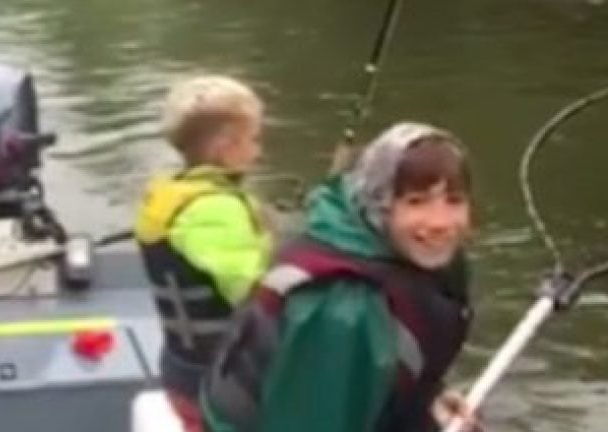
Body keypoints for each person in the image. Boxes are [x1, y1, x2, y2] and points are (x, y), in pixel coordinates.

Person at [201, 121, 480, 432]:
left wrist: (426, 403)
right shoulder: (342, 309)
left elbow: (374, 375)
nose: (440, 222)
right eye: (415, 201)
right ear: (379, 204)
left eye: (454, 200)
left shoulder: (391, 252)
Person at [134, 75, 275, 432]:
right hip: (222, 376)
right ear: (227, 148)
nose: (258, 151)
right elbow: (256, 293)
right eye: (253, 140)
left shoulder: (170, 195)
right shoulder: (215, 211)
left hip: (183, 368)